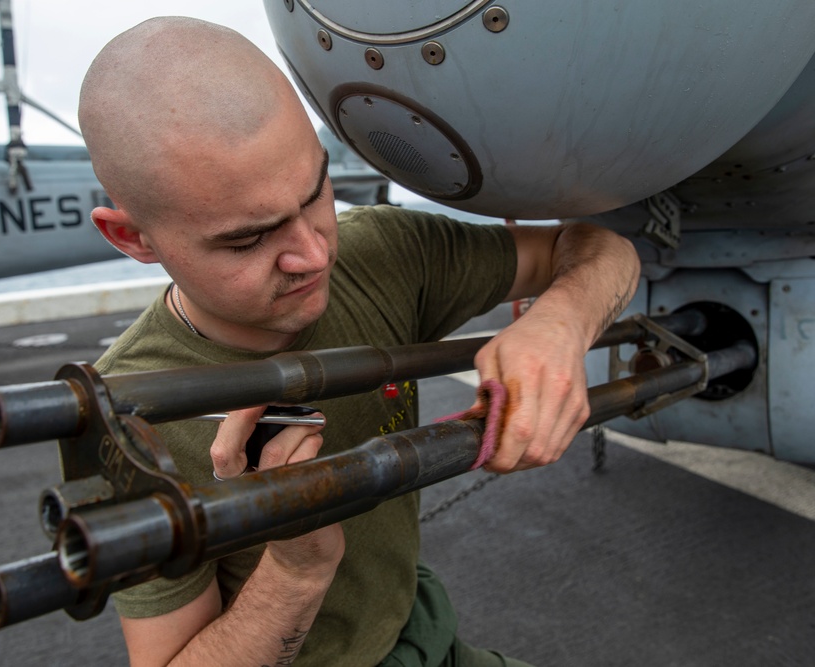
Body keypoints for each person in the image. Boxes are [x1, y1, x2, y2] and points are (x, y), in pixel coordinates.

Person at [79, 16, 639, 667]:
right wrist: (295, 570)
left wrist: (562, 320)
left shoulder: (381, 255)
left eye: (316, 191)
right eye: (248, 237)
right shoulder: (125, 414)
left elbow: (605, 248)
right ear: (133, 238)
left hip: (426, 635)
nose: (314, 254)